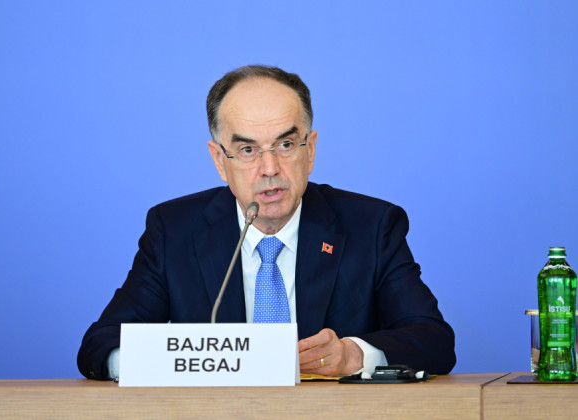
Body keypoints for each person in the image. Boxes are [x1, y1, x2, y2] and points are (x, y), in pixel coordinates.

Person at [77, 65, 456, 380]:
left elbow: (433, 339)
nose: (270, 168)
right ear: (219, 160)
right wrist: (167, 363)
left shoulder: (371, 226)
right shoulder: (174, 230)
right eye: (247, 150)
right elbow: (100, 344)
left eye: (286, 145)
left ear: (310, 150)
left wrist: (353, 355)